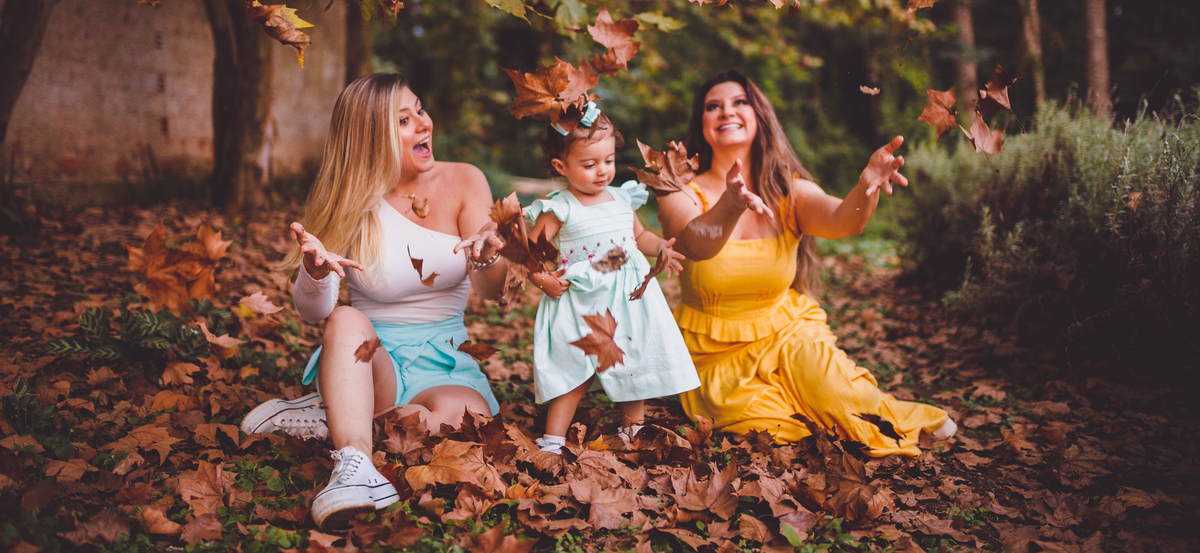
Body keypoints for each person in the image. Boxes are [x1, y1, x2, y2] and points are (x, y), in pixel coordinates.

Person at [239, 73, 509, 529]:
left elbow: (492, 290)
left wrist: (488, 254)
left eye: (419, 109)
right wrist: (317, 273)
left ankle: (338, 411)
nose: (423, 124)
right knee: (345, 318)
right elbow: (315, 313)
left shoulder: (466, 180)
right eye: (404, 120)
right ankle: (355, 463)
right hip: (370, 357)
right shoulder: (351, 197)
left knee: (466, 421)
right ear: (371, 137)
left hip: (446, 361)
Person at [657, 70, 956, 456]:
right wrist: (730, 205)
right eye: (713, 106)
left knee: (841, 398)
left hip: (788, 331)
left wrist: (866, 186)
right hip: (714, 349)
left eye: (738, 102)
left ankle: (900, 416)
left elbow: (842, 220)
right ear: (702, 124)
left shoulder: (788, 189)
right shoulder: (679, 188)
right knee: (773, 428)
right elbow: (693, 243)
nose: (725, 112)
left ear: (759, 116)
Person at [523, 103, 700, 453]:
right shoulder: (561, 207)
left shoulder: (622, 197)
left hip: (625, 299)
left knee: (629, 362)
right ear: (562, 166)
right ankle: (554, 439)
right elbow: (530, 254)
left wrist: (660, 246)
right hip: (582, 298)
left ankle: (632, 431)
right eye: (589, 165)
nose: (602, 171)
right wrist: (542, 280)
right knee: (576, 370)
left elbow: (637, 238)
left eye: (609, 160)